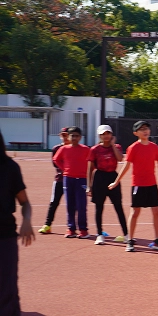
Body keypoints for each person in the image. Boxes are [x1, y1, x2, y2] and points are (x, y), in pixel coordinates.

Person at [108, 121, 158, 252]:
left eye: (147, 128)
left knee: (156, 211)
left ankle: (157, 240)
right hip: (138, 184)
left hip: (152, 184)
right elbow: (126, 165)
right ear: (135, 133)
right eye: (142, 129)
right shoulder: (133, 148)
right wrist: (116, 181)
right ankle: (130, 240)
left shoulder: (154, 147)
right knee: (135, 212)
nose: (145, 131)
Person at [0, 129, 35, 316]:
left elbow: (25, 202)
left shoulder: (9, 167)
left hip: (4, 236)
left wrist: (27, 220)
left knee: (7, 287)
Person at [86, 125, 127, 245]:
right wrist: (89, 186)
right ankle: (99, 234)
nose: (106, 136)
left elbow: (120, 159)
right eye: (103, 134)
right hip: (99, 178)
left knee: (118, 206)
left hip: (113, 177)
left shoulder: (117, 147)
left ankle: (126, 234)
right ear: (99, 136)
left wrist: (113, 145)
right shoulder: (94, 149)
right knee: (99, 207)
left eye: (108, 133)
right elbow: (90, 168)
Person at [53, 126, 91, 239]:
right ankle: (71, 229)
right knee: (69, 204)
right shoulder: (64, 149)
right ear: (68, 137)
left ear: (80, 137)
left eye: (76, 136)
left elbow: (91, 163)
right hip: (68, 179)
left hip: (82, 180)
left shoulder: (85, 149)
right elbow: (56, 159)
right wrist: (65, 169)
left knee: (81, 205)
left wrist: (86, 173)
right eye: (72, 135)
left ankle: (83, 229)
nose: (74, 138)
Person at [38, 127, 69, 234]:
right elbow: (55, 164)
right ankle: (47, 224)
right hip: (59, 180)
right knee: (54, 202)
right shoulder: (56, 148)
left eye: (67, 135)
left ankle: (72, 227)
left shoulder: (75, 148)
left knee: (73, 204)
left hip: (73, 180)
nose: (65, 138)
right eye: (63, 135)